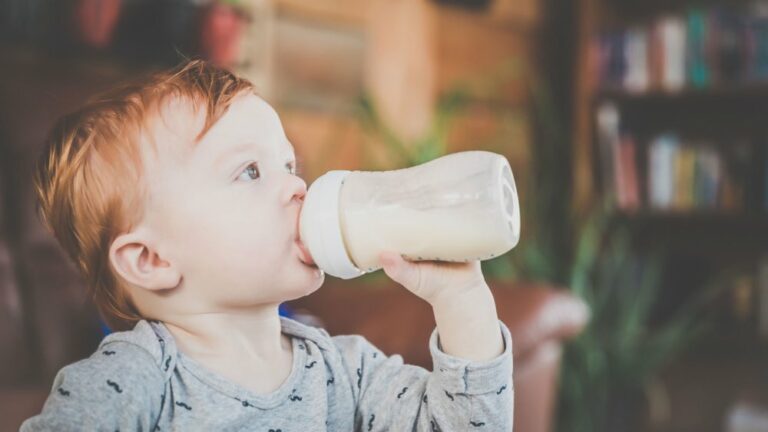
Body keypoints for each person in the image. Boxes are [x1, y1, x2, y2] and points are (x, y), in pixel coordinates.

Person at [21, 59, 513, 431]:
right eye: (250, 172)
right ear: (152, 259)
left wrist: (461, 300)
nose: (298, 187)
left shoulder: (346, 370)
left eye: (289, 166)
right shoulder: (131, 380)